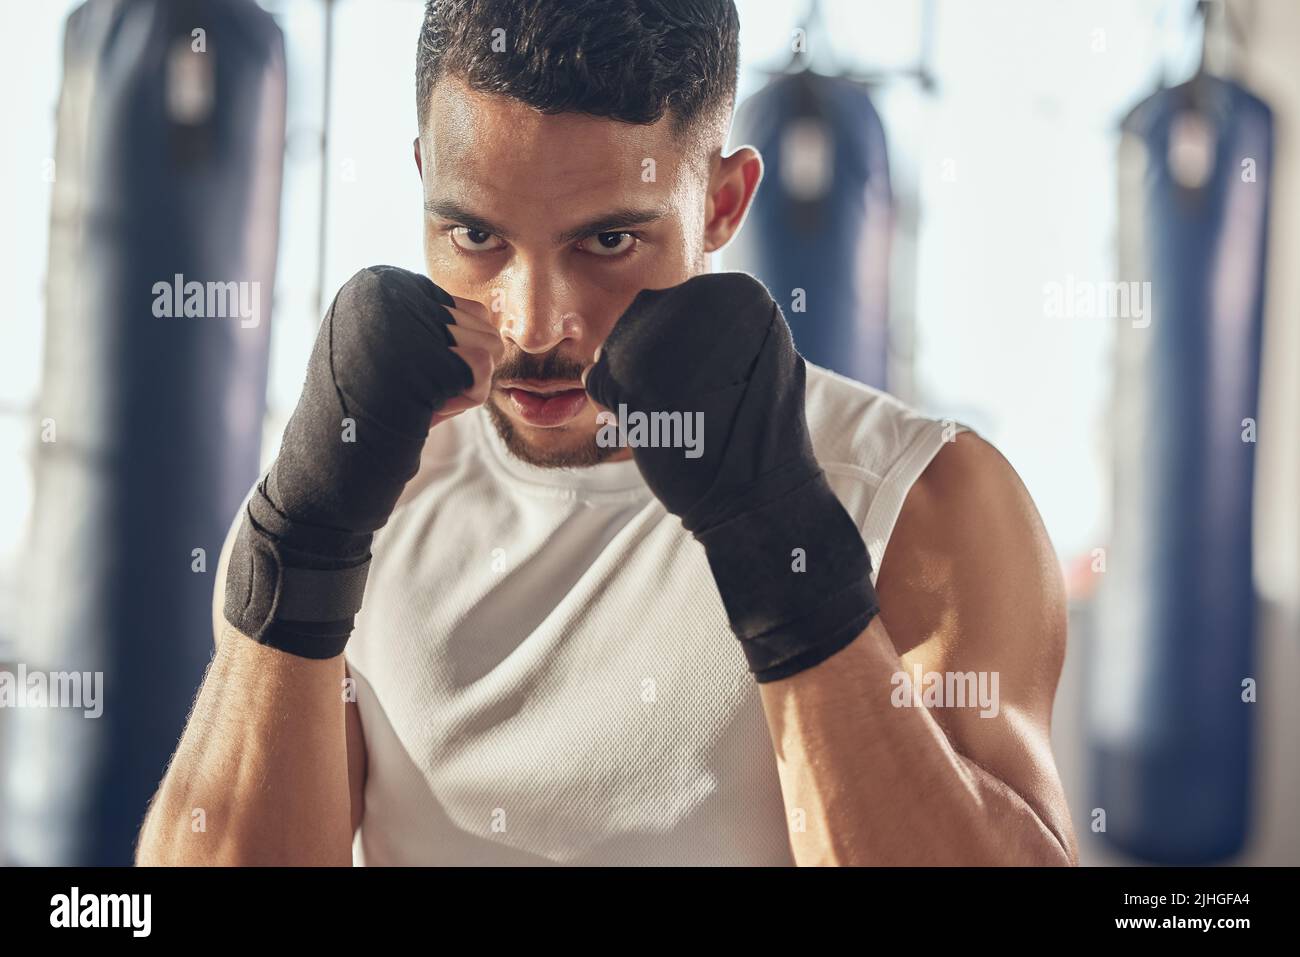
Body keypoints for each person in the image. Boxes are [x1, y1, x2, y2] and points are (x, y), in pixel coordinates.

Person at [136, 0, 1077, 866]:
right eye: (476, 237)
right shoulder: (361, 494)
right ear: (425, 180)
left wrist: (792, 564)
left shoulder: (921, 500)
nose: (536, 325)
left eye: (608, 242)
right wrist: (301, 541)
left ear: (720, 203)